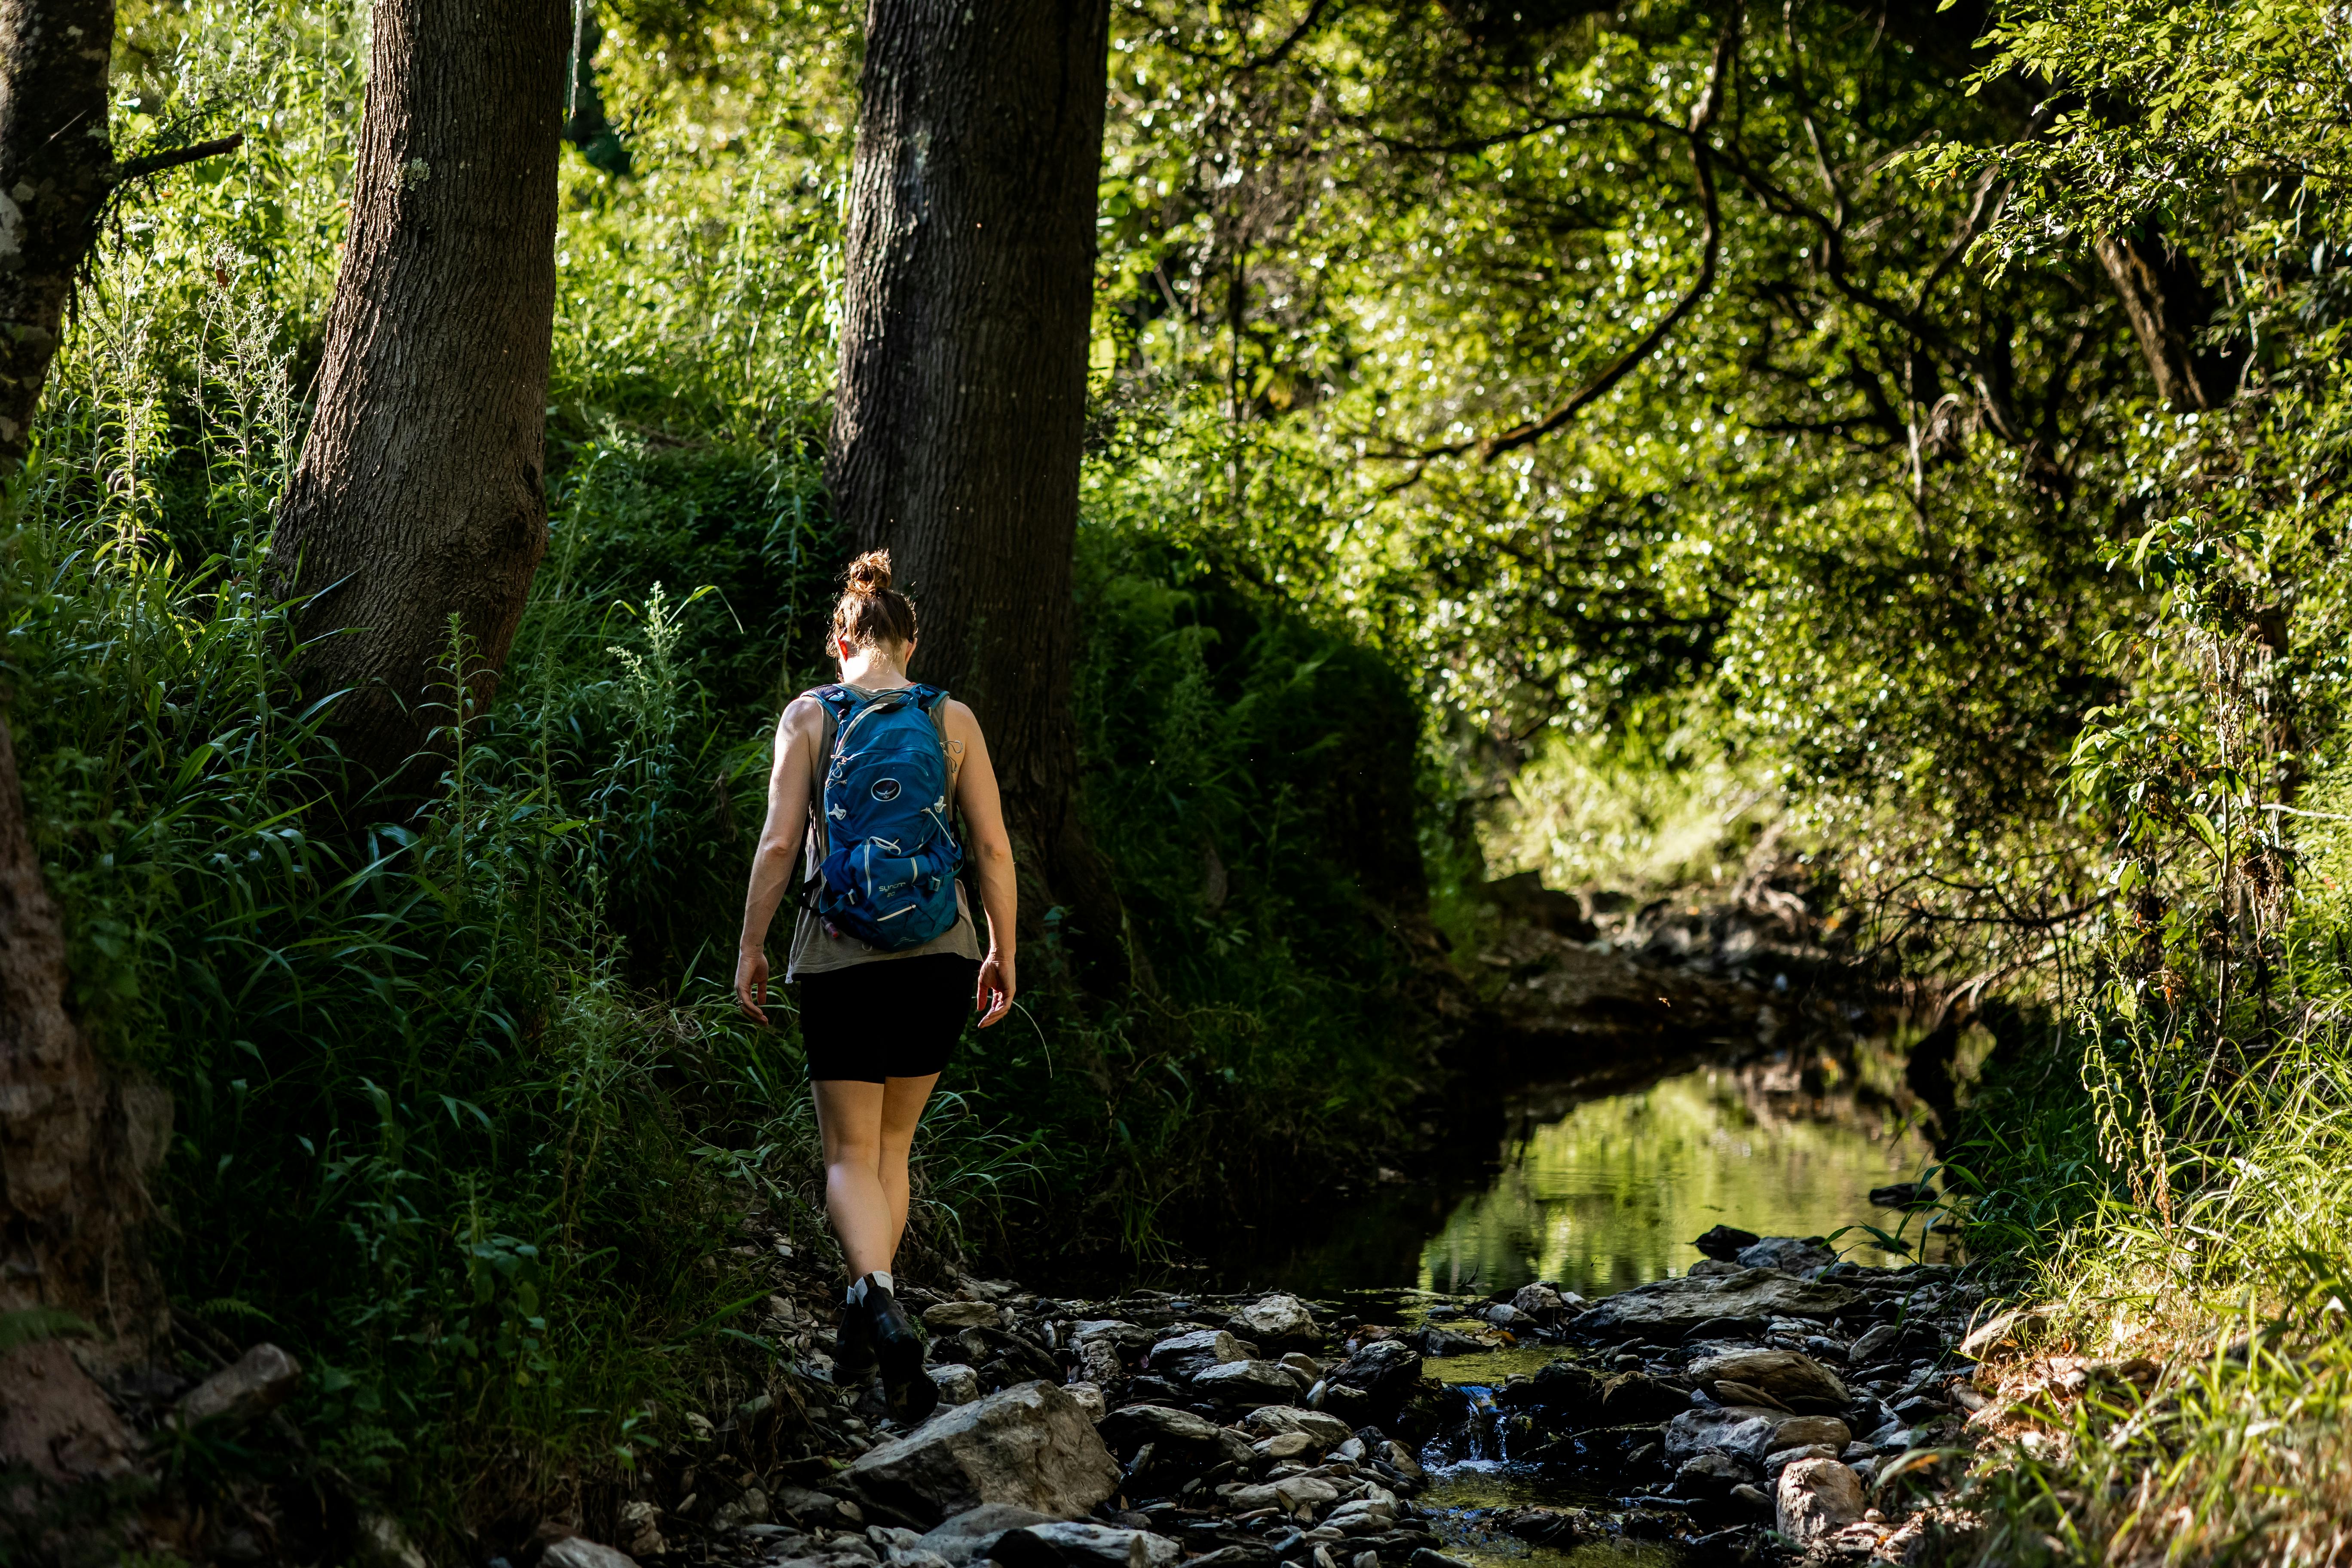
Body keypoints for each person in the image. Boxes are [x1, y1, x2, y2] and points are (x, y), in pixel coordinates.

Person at [734, 550, 1017, 1424]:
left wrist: (751, 946)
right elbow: (992, 847)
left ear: (840, 642)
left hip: (840, 954)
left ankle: (880, 1303)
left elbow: (780, 844)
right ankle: (872, 1317)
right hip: (942, 955)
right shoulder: (952, 718)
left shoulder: (809, 715)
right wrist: (1002, 949)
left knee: (847, 1156)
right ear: (911, 643)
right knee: (893, 1149)